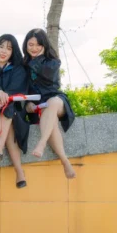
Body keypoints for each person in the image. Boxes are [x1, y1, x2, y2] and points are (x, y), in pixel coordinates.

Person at [23, 28, 76, 179]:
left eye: (39, 44)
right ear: (25, 45)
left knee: (52, 103)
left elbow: (46, 77)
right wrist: (28, 105)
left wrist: (35, 58)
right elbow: (23, 89)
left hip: (57, 101)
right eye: (30, 44)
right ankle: (65, 161)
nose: (34, 48)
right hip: (39, 106)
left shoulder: (52, 62)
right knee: (49, 120)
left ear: (45, 45)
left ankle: (41, 143)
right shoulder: (23, 65)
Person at [0, 34, 30, 188]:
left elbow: (16, 88)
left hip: (12, 108)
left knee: (9, 108)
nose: (3, 51)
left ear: (12, 52)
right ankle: (19, 172)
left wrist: (5, 97)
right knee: (8, 117)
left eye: (8, 48)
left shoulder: (18, 69)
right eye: (1, 46)